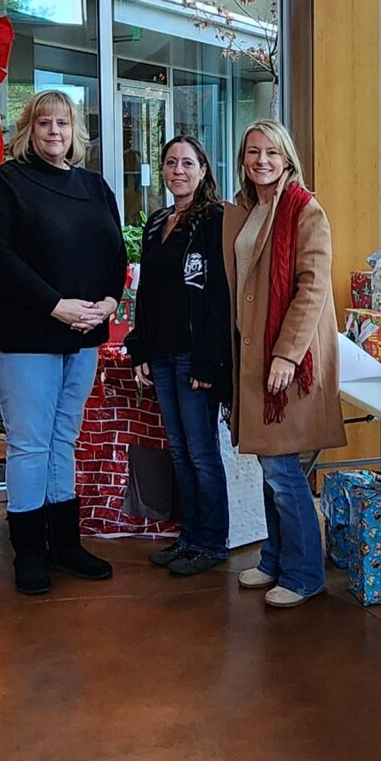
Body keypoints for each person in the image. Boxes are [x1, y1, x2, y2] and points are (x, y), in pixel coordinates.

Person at [0, 90, 126, 596]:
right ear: (29, 131)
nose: (54, 132)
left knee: (64, 439)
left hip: (82, 335)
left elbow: (113, 251)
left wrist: (108, 301)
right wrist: (54, 304)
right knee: (32, 443)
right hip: (25, 335)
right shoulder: (6, 183)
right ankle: (30, 553)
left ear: (75, 131)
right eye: (44, 124)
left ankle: (66, 544)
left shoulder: (94, 186)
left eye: (63, 123)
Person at [220, 119, 346, 608]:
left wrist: (286, 354)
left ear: (288, 157)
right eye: (253, 152)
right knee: (270, 464)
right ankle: (274, 558)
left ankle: (305, 573)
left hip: (287, 360)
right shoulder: (252, 208)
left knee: (281, 469)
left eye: (271, 152)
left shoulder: (304, 210)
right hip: (253, 351)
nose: (262, 161)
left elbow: (313, 289)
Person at [123, 136, 235, 577]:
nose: (178, 170)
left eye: (187, 163)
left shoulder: (216, 219)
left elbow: (219, 297)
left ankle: (212, 543)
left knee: (203, 453)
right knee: (179, 450)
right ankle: (188, 536)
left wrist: (210, 363)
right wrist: (140, 349)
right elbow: (146, 294)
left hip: (195, 359)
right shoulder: (157, 222)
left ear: (203, 170)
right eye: (170, 162)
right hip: (163, 355)